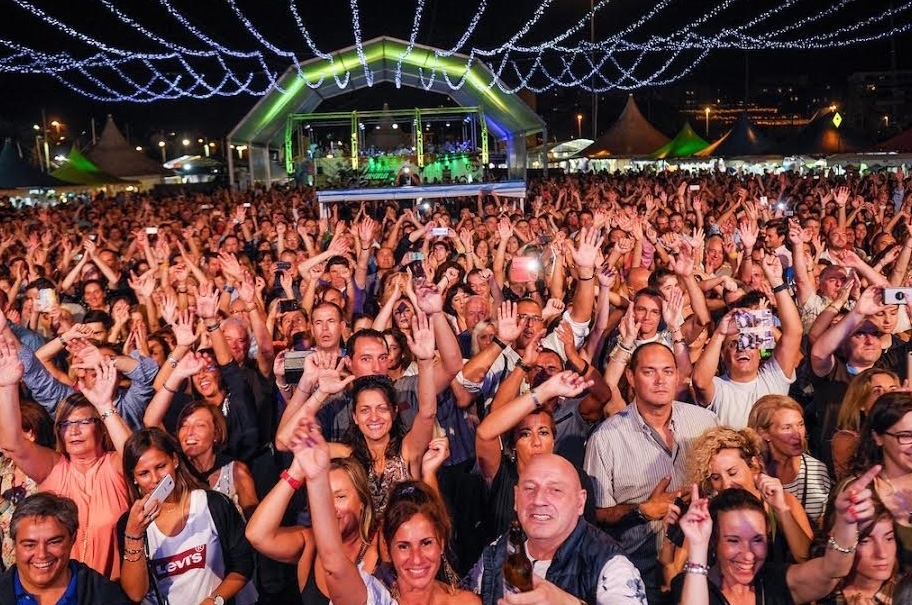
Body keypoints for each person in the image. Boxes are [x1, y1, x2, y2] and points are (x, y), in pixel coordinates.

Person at [288, 412, 480, 605]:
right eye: (403, 546)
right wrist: (316, 479)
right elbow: (333, 563)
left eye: (426, 543)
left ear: (441, 542)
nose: (416, 558)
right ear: (388, 548)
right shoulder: (375, 597)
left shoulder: (466, 602)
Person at [584, 342, 718, 597]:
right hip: (640, 575)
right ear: (631, 378)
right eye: (649, 372)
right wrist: (643, 510)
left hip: (703, 566)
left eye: (667, 371)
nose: (660, 380)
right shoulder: (606, 439)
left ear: (678, 375)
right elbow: (595, 516)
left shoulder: (705, 422)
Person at [0, 335, 131, 579]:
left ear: (100, 428)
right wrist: (7, 387)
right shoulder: (55, 468)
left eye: (83, 422)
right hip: (61, 592)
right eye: (66, 424)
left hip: (112, 591)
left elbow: (137, 461)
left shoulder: (114, 464)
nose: (74, 431)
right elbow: (13, 446)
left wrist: (104, 406)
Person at [673, 465, 882, 605]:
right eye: (733, 540)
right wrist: (698, 548)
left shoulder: (776, 581)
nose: (748, 555)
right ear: (714, 541)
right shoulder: (691, 584)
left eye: (757, 540)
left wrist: (846, 522)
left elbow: (834, 569)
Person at [465, 454, 647, 605]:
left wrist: (567, 602)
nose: (538, 500)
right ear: (515, 497)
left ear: (580, 502)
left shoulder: (609, 563)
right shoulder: (497, 552)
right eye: (529, 488)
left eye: (555, 490)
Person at [117, 428, 258, 605]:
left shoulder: (212, 503)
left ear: (175, 460)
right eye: (143, 473)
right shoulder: (129, 524)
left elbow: (243, 563)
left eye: (161, 467)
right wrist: (133, 535)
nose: (155, 478)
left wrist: (215, 600)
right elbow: (135, 594)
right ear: (134, 478)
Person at [475, 370, 594, 540]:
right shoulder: (501, 475)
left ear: (554, 439)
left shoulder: (575, 478)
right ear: (513, 443)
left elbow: (586, 537)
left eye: (543, 432)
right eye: (525, 434)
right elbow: (484, 433)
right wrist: (546, 391)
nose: (536, 442)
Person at [245, 456, 379, 603]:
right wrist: (295, 473)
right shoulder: (310, 543)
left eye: (340, 497)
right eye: (323, 497)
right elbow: (256, 535)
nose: (330, 508)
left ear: (362, 501)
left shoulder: (382, 543)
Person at [691, 255, 802, 428]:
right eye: (733, 344)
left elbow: (794, 333)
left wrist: (776, 281)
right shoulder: (719, 388)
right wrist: (720, 334)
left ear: (759, 349)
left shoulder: (773, 377)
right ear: (722, 355)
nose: (742, 349)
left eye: (748, 342)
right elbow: (699, 381)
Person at [684, 426, 814, 565]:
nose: (726, 484)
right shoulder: (709, 513)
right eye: (716, 478)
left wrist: (782, 510)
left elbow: (807, 558)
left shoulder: (784, 502)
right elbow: (678, 569)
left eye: (733, 473)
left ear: (753, 465)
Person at [0, 493, 129, 604]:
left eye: (53, 542)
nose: (42, 554)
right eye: (29, 545)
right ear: (14, 544)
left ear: (72, 539)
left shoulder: (105, 595)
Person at [747, 395, 832, 524]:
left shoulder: (817, 469)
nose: (797, 434)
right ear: (764, 433)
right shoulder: (750, 473)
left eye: (800, 424)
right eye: (787, 428)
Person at [0, 399, 54, 570]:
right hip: (9, 570)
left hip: (43, 566)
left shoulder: (51, 470)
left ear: (30, 433)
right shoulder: (4, 468)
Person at [831, 368, 899, 481]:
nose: (888, 396)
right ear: (861, 403)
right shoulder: (847, 439)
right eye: (877, 391)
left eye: (893, 390)